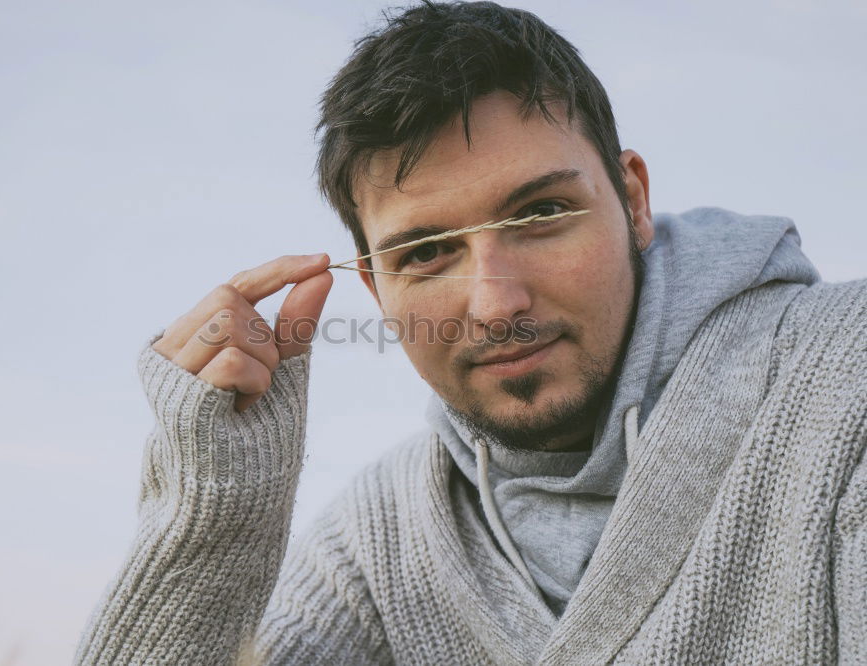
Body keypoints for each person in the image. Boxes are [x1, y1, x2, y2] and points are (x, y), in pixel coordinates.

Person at [74, 2, 866, 664]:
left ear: (630, 199)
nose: (494, 304)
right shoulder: (378, 546)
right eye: (426, 252)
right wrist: (211, 513)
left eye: (542, 214)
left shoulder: (848, 379)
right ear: (377, 287)